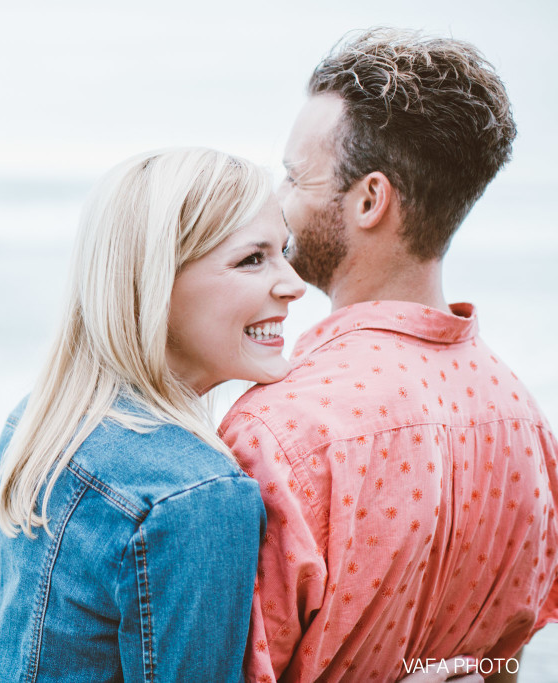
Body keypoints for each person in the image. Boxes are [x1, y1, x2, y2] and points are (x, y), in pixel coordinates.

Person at [219, 28, 558, 682]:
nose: (277, 202)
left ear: (371, 200)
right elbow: (500, 665)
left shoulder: (279, 433)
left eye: (293, 177)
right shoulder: (527, 425)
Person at [0, 147, 305, 682]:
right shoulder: (197, 496)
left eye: (284, 250)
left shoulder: (36, 425)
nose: (294, 284)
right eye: (252, 259)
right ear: (155, 282)